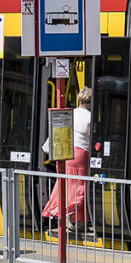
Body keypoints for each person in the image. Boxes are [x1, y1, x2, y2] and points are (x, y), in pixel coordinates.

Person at [42, 86, 92, 231]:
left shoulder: (71, 114)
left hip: (64, 154)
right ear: (90, 102)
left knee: (66, 185)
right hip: (80, 155)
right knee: (80, 187)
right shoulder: (89, 117)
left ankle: (80, 222)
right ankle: (68, 215)